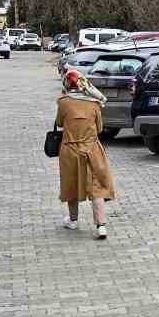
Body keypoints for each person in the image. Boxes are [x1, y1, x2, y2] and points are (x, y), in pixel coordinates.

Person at [54, 69, 116, 239]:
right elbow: (100, 128)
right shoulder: (94, 103)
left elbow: (59, 122)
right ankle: (101, 225)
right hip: (92, 148)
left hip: (70, 149)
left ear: (67, 84)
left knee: (71, 183)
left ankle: (73, 221)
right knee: (96, 186)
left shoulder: (63, 102)